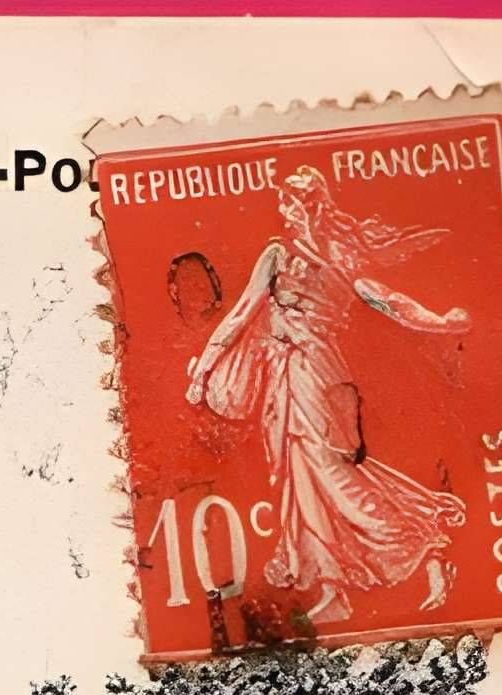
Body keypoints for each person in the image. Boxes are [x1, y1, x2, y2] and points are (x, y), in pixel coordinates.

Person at [184, 167, 470, 625]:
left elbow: (382, 300)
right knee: (303, 478)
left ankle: (423, 545)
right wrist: (440, 322)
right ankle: (336, 591)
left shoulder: (310, 256)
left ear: (309, 206)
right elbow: (246, 314)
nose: (285, 212)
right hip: (298, 379)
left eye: (292, 203)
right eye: (285, 203)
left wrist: (438, 322)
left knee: (332, 477)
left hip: (312, 377)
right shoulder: (307, 255)